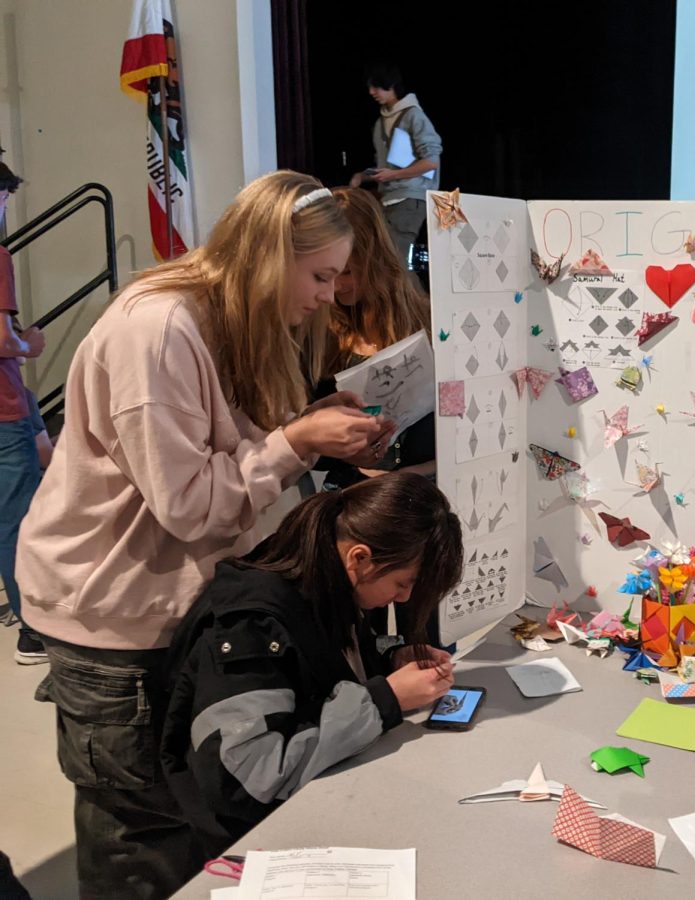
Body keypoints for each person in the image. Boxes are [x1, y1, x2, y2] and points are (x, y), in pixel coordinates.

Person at [15, 170, 389, 899]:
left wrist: (312, 431)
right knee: (142, 844)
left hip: (169, 612)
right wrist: (297, 441)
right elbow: (189, 505)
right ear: (269, 254)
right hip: (116, 629)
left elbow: (232, 451)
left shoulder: (226, 324)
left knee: (185, 828)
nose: (324, 296)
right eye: (318, 276)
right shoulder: (158, 331)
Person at [161, 473, 462, 858]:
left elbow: (324, 670)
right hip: (256, 842)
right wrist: (385, 699)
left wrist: (390, 660)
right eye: (403, 583)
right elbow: (252, 778)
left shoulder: (324, 578)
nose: (403, 599)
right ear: (360, 558)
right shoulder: (254, 624)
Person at [315, 186, 435, 489]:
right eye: (323, 275)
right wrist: (345, 453)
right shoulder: (320, 334)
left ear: (375, 258)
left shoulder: (431, 325)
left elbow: (459, 431)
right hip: (349, 490)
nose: (334, 289)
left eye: (346, 272)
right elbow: (309, 448)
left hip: (422, 490)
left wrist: (414, 474)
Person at [0, 158, 49, 665]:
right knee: (19, 519)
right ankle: (33, 631)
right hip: (3, 405)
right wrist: (29, 345)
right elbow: (1, 339)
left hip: (17, 402)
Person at [349, 63, 442, 268]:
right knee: (384, 263)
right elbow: (385, 168)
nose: (372, 92)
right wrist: (361, 177)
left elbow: (431, 162)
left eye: (376, 86)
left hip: (411, 198)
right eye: (370, 87)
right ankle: (414, 300)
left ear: (390, 84)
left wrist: (393, 175)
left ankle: (418, 301)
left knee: (393, 264)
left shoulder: (413, 116)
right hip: (388, 200)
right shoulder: (380, 123)